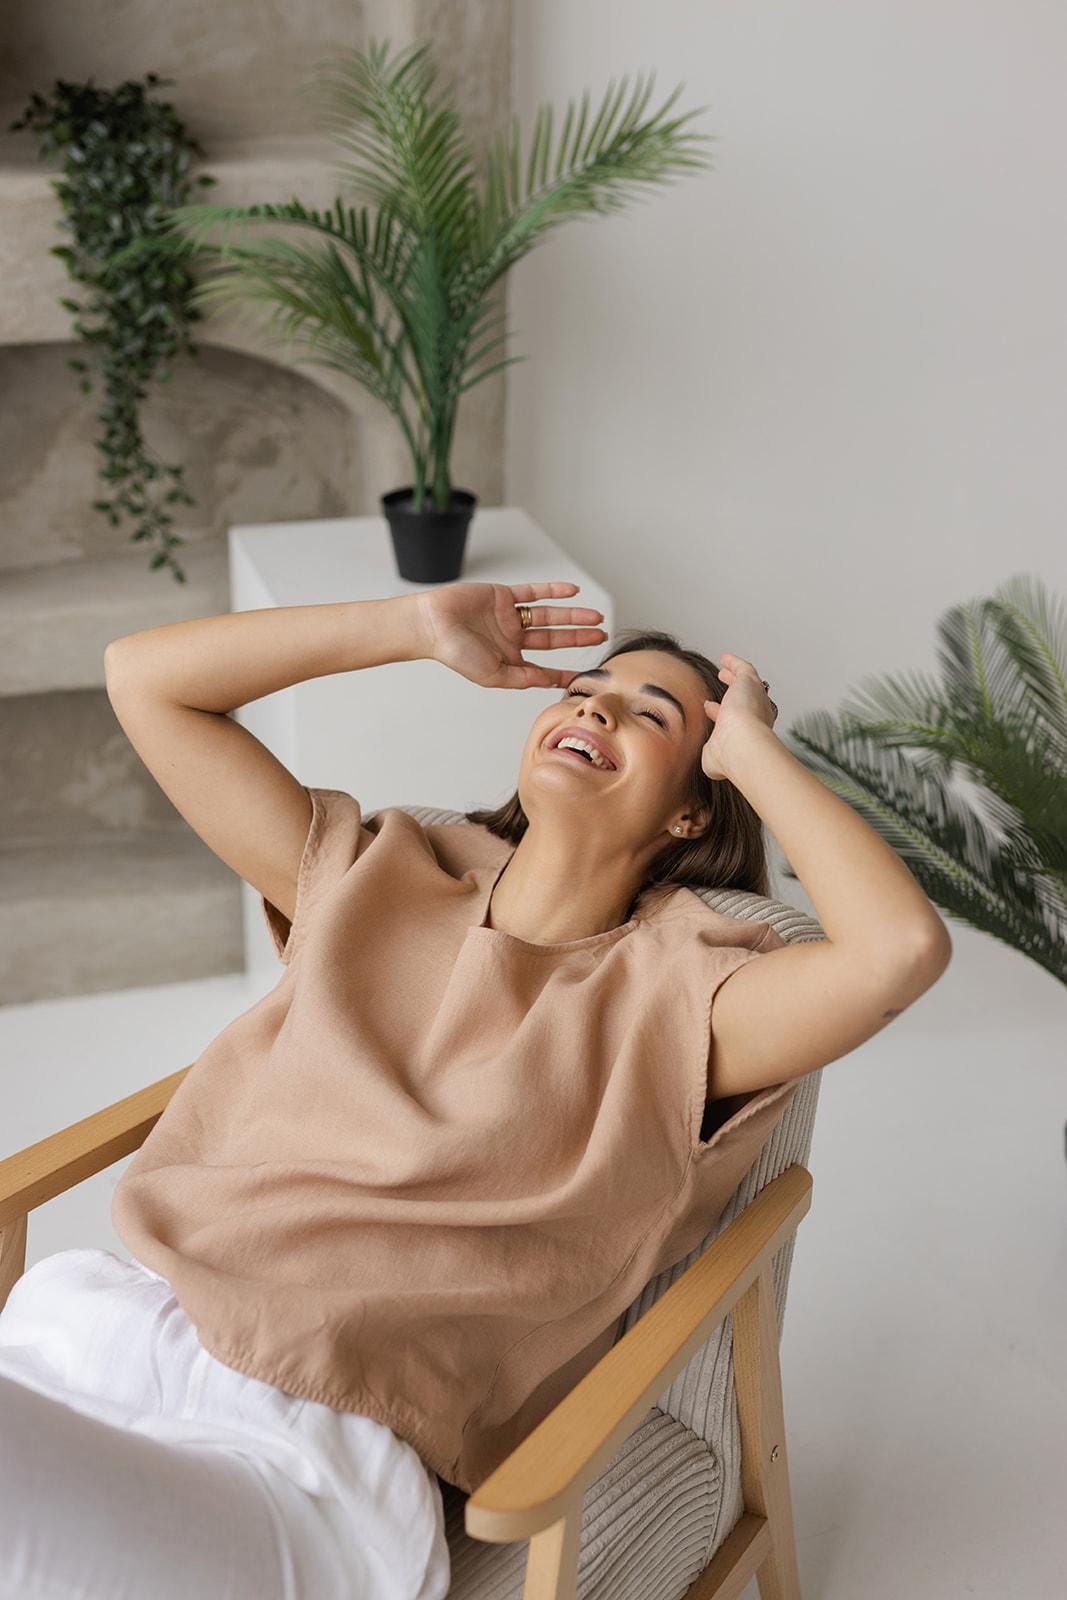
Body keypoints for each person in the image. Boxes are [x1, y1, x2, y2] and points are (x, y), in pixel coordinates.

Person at [0, 581, 952, 1598]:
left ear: (690, 806)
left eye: (649, 713)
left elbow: (897, 950)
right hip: (94, 1344)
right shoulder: (381, 871)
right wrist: (412, 628)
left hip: (295, 1453)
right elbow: (143, 681)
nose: (596, 708)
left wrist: (754, 751)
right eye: (585, 689)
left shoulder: (689, 990)